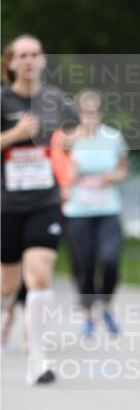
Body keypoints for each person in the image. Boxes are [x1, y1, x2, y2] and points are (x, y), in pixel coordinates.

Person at [1, 34, 78, 384]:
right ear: (11, 62)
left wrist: (71, 142)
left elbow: (73, 135)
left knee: (40, 276)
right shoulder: (3, 100)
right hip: (7, 203)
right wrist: (15, 134)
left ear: (43, 59)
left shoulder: (55, 100)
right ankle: (8, 315)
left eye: (35, 54)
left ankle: (38, 358)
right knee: (6, 286)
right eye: (22, 55)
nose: (29, 60)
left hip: (44, 201)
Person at [60, 89, 128, 337]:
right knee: (85, 264)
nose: (91, 115)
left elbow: (123, 169)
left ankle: (106, 305)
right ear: (77, 113)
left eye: (95, 110)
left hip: (108, 209)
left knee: (111, 260)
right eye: (86, 111)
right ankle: (88, 316)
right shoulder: (67, 140)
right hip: (78, 210)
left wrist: (113, 176)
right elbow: (58, 171)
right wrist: (71, 173)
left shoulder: (113, 137)